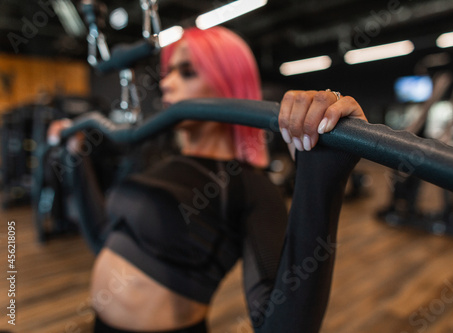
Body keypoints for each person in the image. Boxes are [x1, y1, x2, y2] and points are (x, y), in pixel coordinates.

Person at [48, 26, 366, 333]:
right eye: (168, 72)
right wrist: (77, 156)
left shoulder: (249, 186)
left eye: (186, 72)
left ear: (227, 85)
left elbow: (280, 325)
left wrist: (320, 176)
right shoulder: (159, 163)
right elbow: (103, 238)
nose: (167, 84)